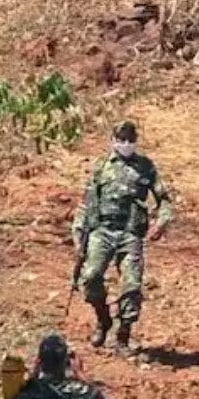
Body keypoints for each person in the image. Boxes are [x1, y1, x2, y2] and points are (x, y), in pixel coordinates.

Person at [73, 121, 173, 357]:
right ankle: (103, 320)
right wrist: (78, 232)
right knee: (90, 276)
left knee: (131, 285)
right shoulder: (101, 166)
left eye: (130, 139)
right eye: (121, 139)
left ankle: (123, 336)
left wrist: (162, 223)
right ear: (113, 140)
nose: (126, 144)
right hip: (102, 231)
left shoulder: (146, 167)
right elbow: (86, 202)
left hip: (130, 234)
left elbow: (164, 199)